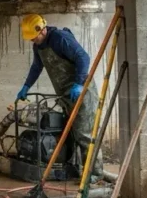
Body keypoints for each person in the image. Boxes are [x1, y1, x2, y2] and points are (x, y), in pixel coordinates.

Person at [16, 13, 102, 177]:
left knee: (85, 134)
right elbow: (36, 67)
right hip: (66, 95)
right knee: (70, 133)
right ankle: (76, 170)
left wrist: (78, 84)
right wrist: (26, 86)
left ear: (41, 30)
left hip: (82, 92)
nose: (32, 40)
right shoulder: (38, 46)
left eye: (34, 37)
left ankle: (95, 174)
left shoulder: (60, 38)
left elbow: (83, 57)